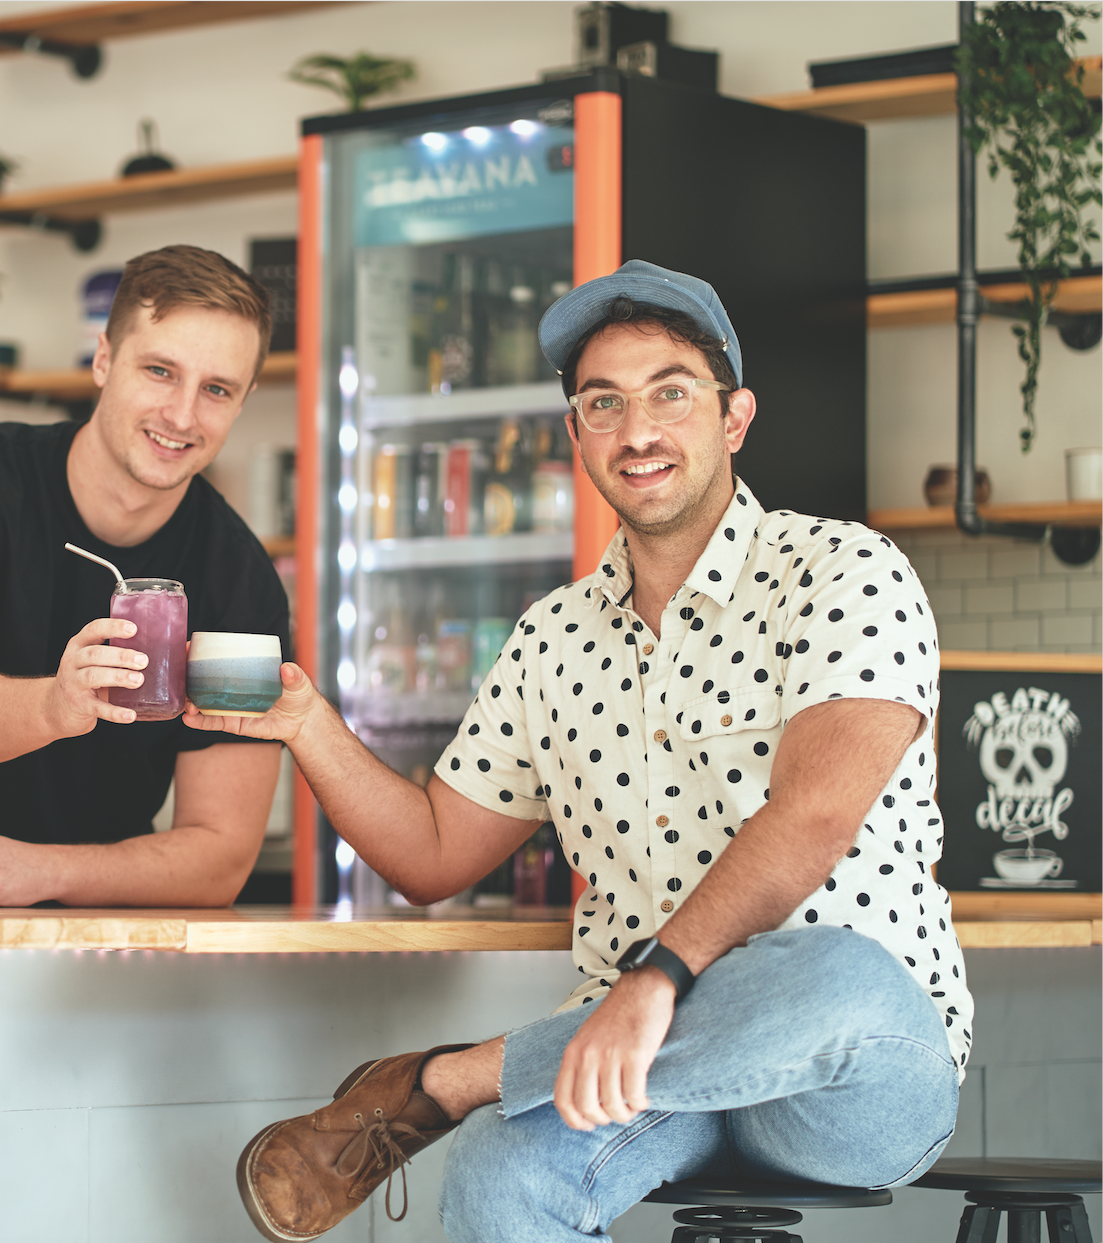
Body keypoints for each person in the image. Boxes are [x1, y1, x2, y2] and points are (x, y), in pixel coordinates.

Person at [192, 261, 969, 1242]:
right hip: (633, 1070)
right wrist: (307, 722)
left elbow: (813, 816)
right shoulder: (550, 637)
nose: (637, 430)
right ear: (575, 435)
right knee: (499, 1171)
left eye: (670, 394)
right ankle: (497, 1085)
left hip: (851, 1074)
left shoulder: (844, 570)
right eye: (604, 403)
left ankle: (442, 1083)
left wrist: (653, 980)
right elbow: (431, 852)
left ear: (734, 418)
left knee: (831, 973)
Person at [0, 245, 290, 910]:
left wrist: (45, 870)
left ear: (241, 403)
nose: (182, 415)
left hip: (84, 957)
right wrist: (54, 706)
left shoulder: (241, 581)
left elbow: (221, 856)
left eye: (217, 389)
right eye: (160, 371)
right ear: (103, 360)